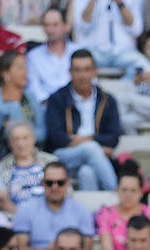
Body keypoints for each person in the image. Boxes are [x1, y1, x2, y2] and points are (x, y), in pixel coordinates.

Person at [43, 48, 122, 192]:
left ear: (95, 71)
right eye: (77, 70)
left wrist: (86, 139)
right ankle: (117, 192)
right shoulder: (57, 98)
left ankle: (95, 213)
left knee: (87, 173)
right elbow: (54, 136)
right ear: (70, 72)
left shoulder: (107, 100)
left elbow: (114, 137)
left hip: (96, 158)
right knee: (90, 149)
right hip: (65, 156)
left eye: (87, 70)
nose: (82, 75)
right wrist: (94, 144)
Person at [12, 163, 95, 250]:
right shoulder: (26, 210)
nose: (54, 187)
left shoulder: (81, 210)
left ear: (68, 183)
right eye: (49, 183)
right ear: (42, 183)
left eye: (60, 183)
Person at [95, 161, 150, 250]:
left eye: (133, 190)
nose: (128, 194)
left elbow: (148, 248)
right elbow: (107, 249)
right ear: (117, 190)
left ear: (141, 192)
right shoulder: (105, 213)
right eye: (124, 190)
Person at [25, 6, 76, 130]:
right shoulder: (34, 56)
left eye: (55, 25)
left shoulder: (79, 51)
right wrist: (55, 104)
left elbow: (89, 82)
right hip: (46, 109)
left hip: (77, 106)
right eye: (47, 25)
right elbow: (34, 89)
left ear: (65, 26)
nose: (50, 29)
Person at [0, 48, 36, 158]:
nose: (25, 72)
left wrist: (22, 134)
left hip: (30, 153)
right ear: (6, 73)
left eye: (25, 67)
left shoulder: (30, 96)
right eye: (20, 68)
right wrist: (5, 129)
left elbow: (42, 132)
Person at [70, 0, 143, 71]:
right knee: (79, 65)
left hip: (123, 53)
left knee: (142, 66)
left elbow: (136, 30)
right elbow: (81, 27)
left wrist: (120, 3)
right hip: (94, 52)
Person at [0, 122, 50, 206]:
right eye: (16, 139)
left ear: (34, 138)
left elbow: (66, 192)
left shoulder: (50, 161)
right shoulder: (2, 166)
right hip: (13, 216)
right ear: (9, 142)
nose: (21, 144)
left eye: (25, 138)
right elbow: (0, 201)